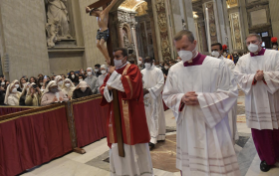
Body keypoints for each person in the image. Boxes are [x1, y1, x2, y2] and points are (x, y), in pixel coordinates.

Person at [162, 30, 239, 176]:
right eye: (178, 49)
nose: (181, 52)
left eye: (184, 47)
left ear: (195, 43)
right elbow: (167, 96)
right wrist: (181, 99)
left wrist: (201, 99)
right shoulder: (174, 70)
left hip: (213, 126)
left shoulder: (216, 65)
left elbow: (230, 93)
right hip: (187, 127)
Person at [99, 48, 153, 176]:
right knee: (118, 143)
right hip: (116, 113)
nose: (115, 59)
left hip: (131, 112)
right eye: (114, 57)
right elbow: (103, 88)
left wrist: (114, 78)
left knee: (134, 142)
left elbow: (132, 88)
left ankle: (140, 172)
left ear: (125, 58)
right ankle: (121, 172)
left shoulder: (133, 68)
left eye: (118, 56)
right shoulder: (112, 72)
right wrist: (109, 88)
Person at [234, 33, 279, 172]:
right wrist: (254, 77)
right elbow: (237, 76)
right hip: (254, 101)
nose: (251, 44)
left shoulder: (274, 55)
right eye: (248, 43)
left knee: (276, 129)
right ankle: (265, 158)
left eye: (253, 41)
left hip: (273, 99)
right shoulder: (242, 60)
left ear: (260, 42)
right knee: (259, 132)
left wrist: (264, 75)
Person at [211, 42, 238, 144]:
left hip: (227, 95)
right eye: (212, 50)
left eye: (216, 50)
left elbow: (232, 78)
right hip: (214, 95)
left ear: (221, 51)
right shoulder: (209, 63)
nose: (214, 52)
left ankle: (230, 140)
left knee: (229, 119)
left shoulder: (228, 63)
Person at [86, 0, 122, 64]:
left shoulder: (104, 13)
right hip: (99, 31)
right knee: (97, 45)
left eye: (93, 14)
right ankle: (105, 57)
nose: (94, 15)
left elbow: (111, 4)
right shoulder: (97, 16)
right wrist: (88, 8)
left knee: (101, 44)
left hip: (105, 30)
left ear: (96, 11)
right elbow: (90, 9)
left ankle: (108, 57)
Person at [142, 57, 166, 150]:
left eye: (148, 61)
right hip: (145, 97)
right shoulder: (142, 72)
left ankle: (155, 138)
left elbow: (161, 83)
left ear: (152, 61)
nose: (147, 63)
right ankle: (151, 135)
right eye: (145, 61)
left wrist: (150, 90)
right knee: (148, 116)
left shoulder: (158, 71)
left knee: (155, 116)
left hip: (154, 96)